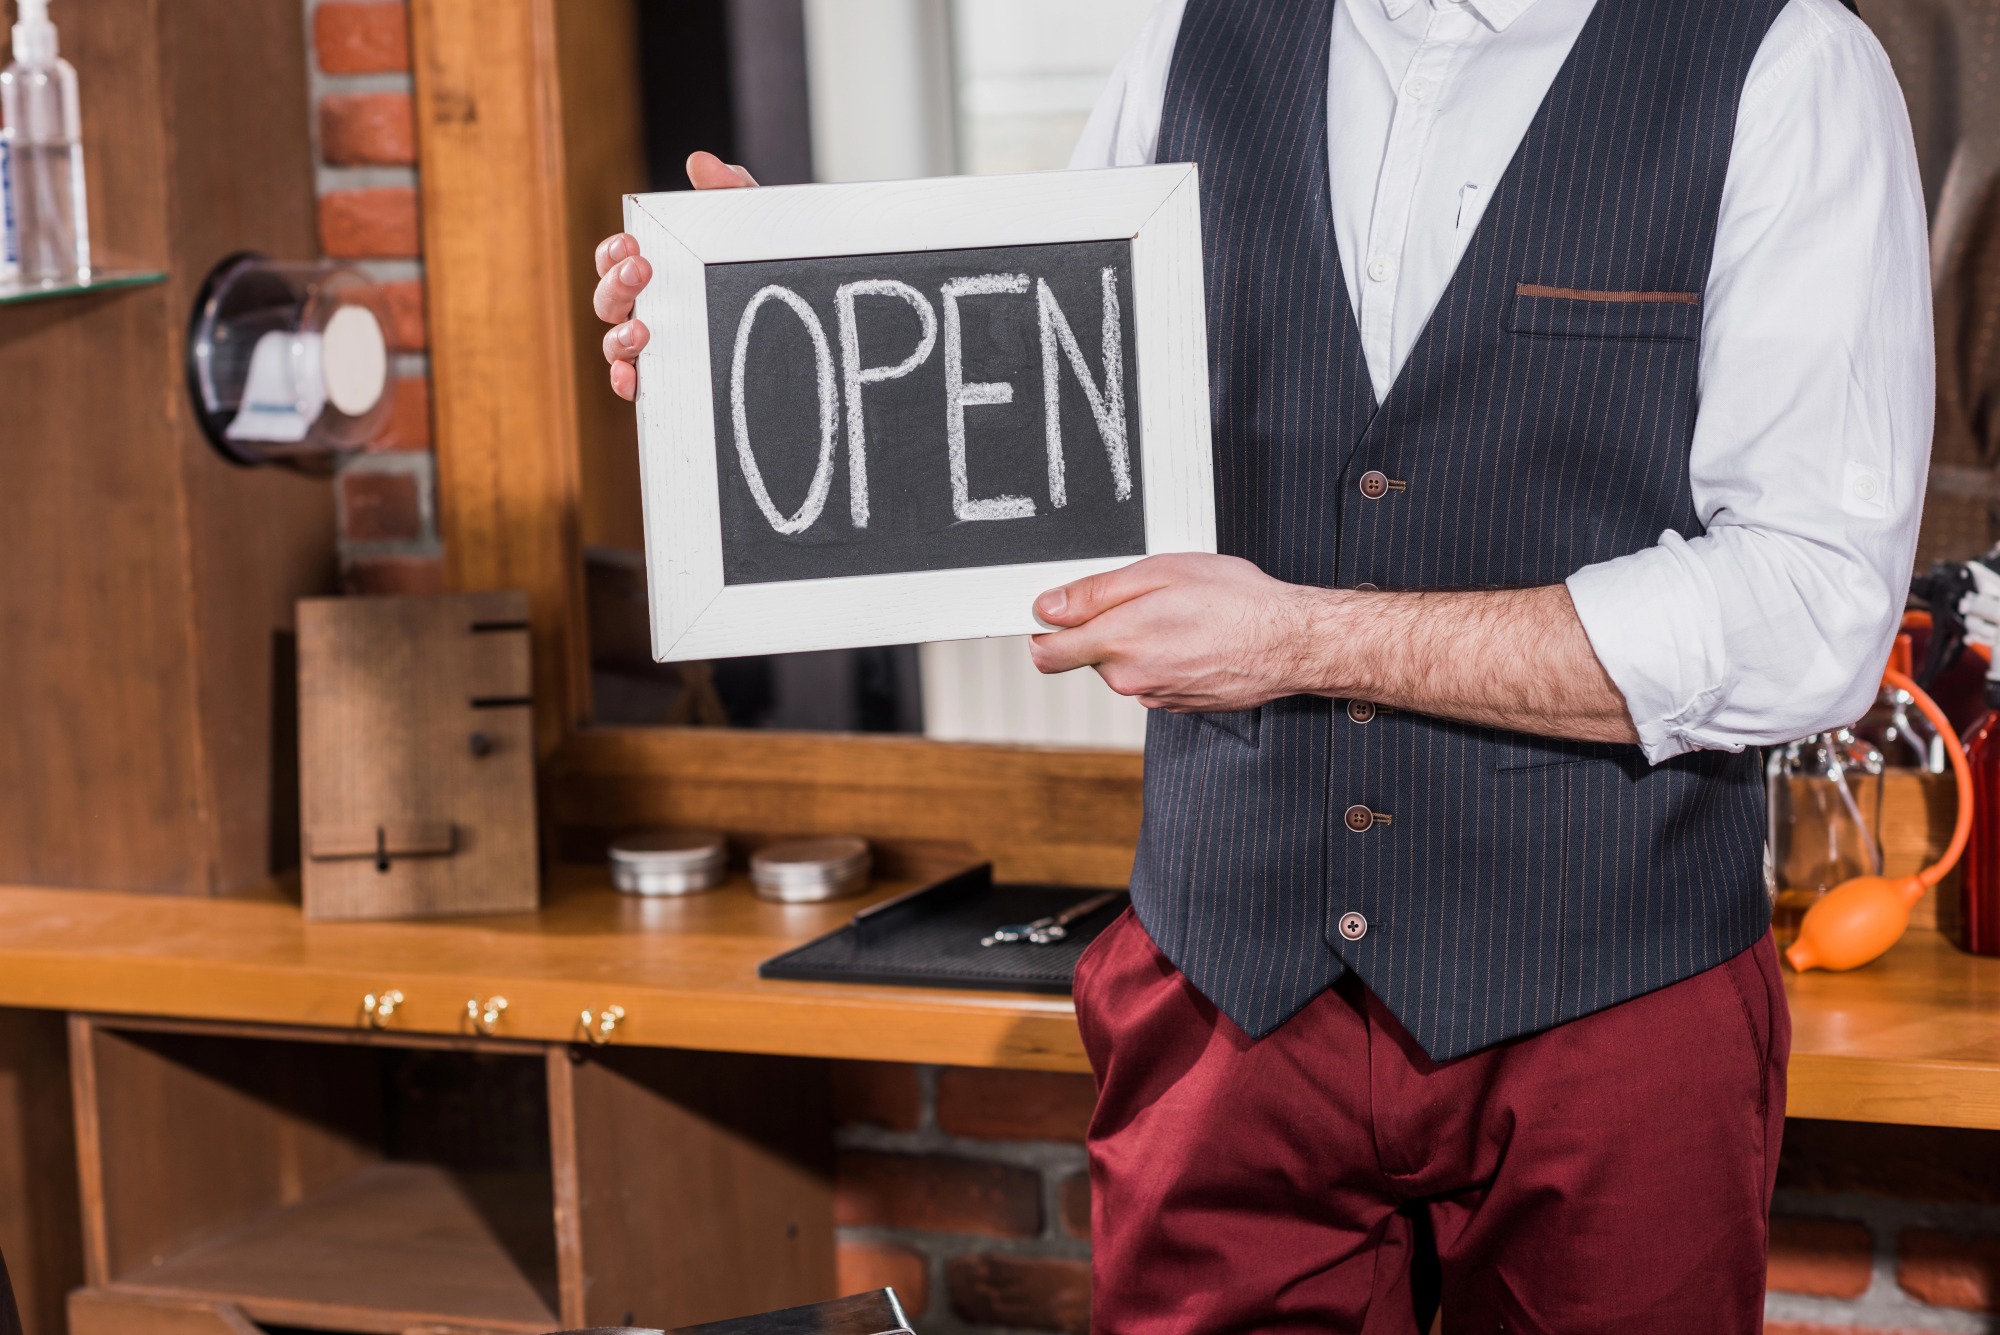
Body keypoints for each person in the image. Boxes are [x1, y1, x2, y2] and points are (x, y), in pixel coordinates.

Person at [594, 0, 1931, 1327]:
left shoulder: (1788, 62)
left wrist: (1304, 634)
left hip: (1611, 1009)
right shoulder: (1189, 38)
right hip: (1225, 996)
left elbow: (1812, 612)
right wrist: (769, 325)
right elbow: (1048, 427)